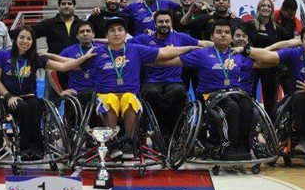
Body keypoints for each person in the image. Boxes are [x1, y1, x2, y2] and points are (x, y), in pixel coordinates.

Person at [87, 17, 200, 159]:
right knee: (109, 99)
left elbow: (163, 53)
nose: (116, 33)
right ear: (106, 36)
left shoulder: (135, 49)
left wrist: (189, 48)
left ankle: (129, 142)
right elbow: (73, 65)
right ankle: (112, 143)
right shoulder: (96, 52)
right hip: (105, 95)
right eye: (112, 30)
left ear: (125, 34)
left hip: (130, 93)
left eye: (120, 30)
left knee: (130, 99)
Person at [0, 25, 95, 161]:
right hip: (7, 97)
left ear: (33, 42)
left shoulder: (35, 58)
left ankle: (37, 149)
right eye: (22, 37)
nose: (25, 41)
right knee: (23, 107)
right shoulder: (3, 55)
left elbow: (64, 66)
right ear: (16, 38)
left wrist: (84, 57)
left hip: (28, 97)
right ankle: (24, 148)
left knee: (36, 104)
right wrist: (8, 96)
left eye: (29, 39)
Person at [157, 20, 258, 159]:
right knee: (231, 106)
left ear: (231, 37)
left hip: (234, 91)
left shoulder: (237, 55)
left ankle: (243, 147)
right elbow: (171, 61)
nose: (223, 35)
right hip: (211, 95)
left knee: (247, 105)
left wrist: (246, 50)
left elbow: (263, 62)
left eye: (227, 32)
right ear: (211, 37)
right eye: (219, 32)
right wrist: (148, 59)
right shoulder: (202, 54)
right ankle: (228, 146)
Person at [247, 24, 305, 155]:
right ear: (301, 42)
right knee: (296, 96)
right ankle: (301, 139)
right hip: (299, 95)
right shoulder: (295, 53)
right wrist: (246, 50)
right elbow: (267, 56)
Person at [128, 9, 211, 136]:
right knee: (152, 93)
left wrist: (225, 45)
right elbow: (121, 43)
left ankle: (174, 135)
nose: (164, 24)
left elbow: (202, 43)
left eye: (167, 21)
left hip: (174, 81)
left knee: (176, 92)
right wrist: (96, 41)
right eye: (160, 22)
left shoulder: (181, 37)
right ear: (154, 24)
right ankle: (160, 133)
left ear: (171, 23)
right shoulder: (144, 39)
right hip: (151, 82)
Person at [243, 0, 293, 119]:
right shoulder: (248, 26)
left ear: (272, 10)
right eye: (263, 5)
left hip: (270, 68)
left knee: (271, 103)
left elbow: (286, 46)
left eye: (269, 6)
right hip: (252, 67)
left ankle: (271, 131)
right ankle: (251, 129)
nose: (266, 8)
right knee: (249, 99)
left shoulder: (278, 29)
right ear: (258, 8)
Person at [55, 21, 98, 106]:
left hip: (98, 91)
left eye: (88, 31)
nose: (85, 34)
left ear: (93, 34)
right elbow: (52, 69)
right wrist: (61, 90)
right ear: (77, 36)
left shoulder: (102, 49)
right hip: (76, 93)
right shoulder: (68, 51)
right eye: (81, 32)